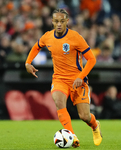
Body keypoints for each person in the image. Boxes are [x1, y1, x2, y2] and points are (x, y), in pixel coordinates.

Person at [25, 9, 102, 147]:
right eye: (56, 21)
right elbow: (36, 47)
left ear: (67, 21)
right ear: (52, 22)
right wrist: (28, 62)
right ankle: (72, 137)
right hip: (59, 79)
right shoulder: (47, 36)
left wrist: (81, 76)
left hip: (77, 80)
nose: (59, 24)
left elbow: (91, 59)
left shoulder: (75, 37)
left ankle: (95, 126)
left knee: (84, 116)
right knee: (59, 103)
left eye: (62, 21)